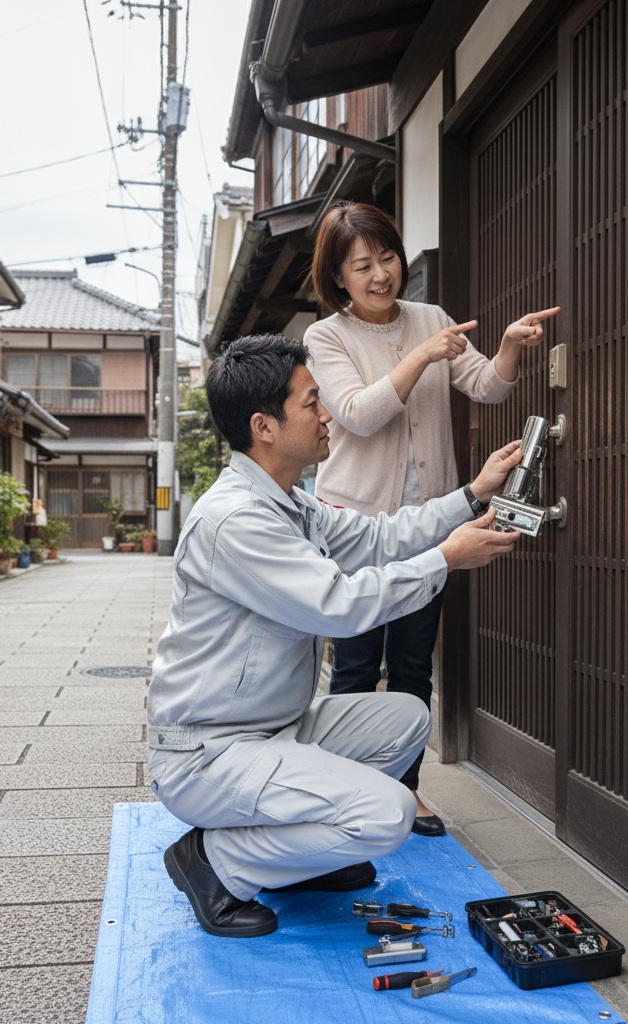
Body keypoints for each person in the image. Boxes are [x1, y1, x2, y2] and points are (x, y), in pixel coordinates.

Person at [147, 333, 523, 938]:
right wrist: (447, 560)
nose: (327, 415)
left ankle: (297, 863)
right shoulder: (237, 519)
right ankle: (215, 862)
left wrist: (471, 495)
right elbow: (339, 606)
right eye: (311, 402)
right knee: (389, 813)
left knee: (406, 718)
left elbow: (378, 539)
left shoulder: (290, 502)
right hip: (208, 752)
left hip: (275, 728)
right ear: (263, 426)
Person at [304, 201, 560, 835]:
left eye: (387, 257)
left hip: (435, 519)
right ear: (339, 276)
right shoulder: (325, 337)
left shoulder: (430, 317)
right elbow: (358, 413)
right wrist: (421, 356)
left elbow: (488, 387)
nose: (380, 274)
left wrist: (504, 347)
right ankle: (347, 788)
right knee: (359, 665)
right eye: (361, 266)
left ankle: (407, 789)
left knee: (415, 664)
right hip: (356, 527)